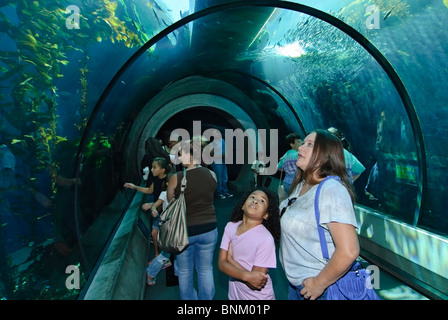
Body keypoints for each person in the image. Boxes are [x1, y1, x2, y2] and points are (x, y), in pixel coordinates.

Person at [279, 130, 359, 300]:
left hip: (319, 289)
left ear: (325, 156)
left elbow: (349, 251)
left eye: (309, 145)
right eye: (303, 143)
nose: (301, 148)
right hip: (297, 285)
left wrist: (319, 284)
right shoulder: (302, 185)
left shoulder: (332, 190)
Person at [167, 138, 218, 300]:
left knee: (184, 271)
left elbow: (170, 202)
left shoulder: (177, 177)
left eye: (181, 154)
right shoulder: (212, 174)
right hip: (209, 229)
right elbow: (210, 197)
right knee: (205, 269)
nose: (179, 157)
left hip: (184, 230)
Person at [218, 187, 280, 300]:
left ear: (266, 214)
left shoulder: (265, 239)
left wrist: (231, 260)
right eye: (252, 197)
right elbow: (221, 263)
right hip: (235, 295)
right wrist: (247, 276)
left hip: (258, 297)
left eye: (262, 201)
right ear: (242, 205)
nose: (255, 201)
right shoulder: (230, 226)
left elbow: (255, 283)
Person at [124, 157, 171, 257]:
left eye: (154, 167)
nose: (151, 169)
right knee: (154, 233)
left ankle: (164, 256)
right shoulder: (156, 179)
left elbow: (169, 197)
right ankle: (157, 254)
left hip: (167, 211)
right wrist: (134, 187)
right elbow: (150, 190)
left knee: (163, 234)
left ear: (162, 170)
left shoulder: (169, 180)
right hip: (157, 209)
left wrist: (152, 204)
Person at [143, 180, 172, 285]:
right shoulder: (164, 193)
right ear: (168, 183)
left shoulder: (179, 193)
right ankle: (150, 273)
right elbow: (156, 204)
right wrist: (153, 208)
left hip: (173, 226)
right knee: (166, 253)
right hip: (169, 227)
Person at [210, 128, 233, 199]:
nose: (216, 134)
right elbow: (211, 154)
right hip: (216, 163)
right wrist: (221, 155)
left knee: (225, 177)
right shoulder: (212, 144)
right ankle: (219, 193)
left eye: (217, 133)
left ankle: (225, 192)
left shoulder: (222, 141)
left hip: (222, 162)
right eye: (214, 133)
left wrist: (225, 155)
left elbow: (226, 152)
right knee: (219, 178)